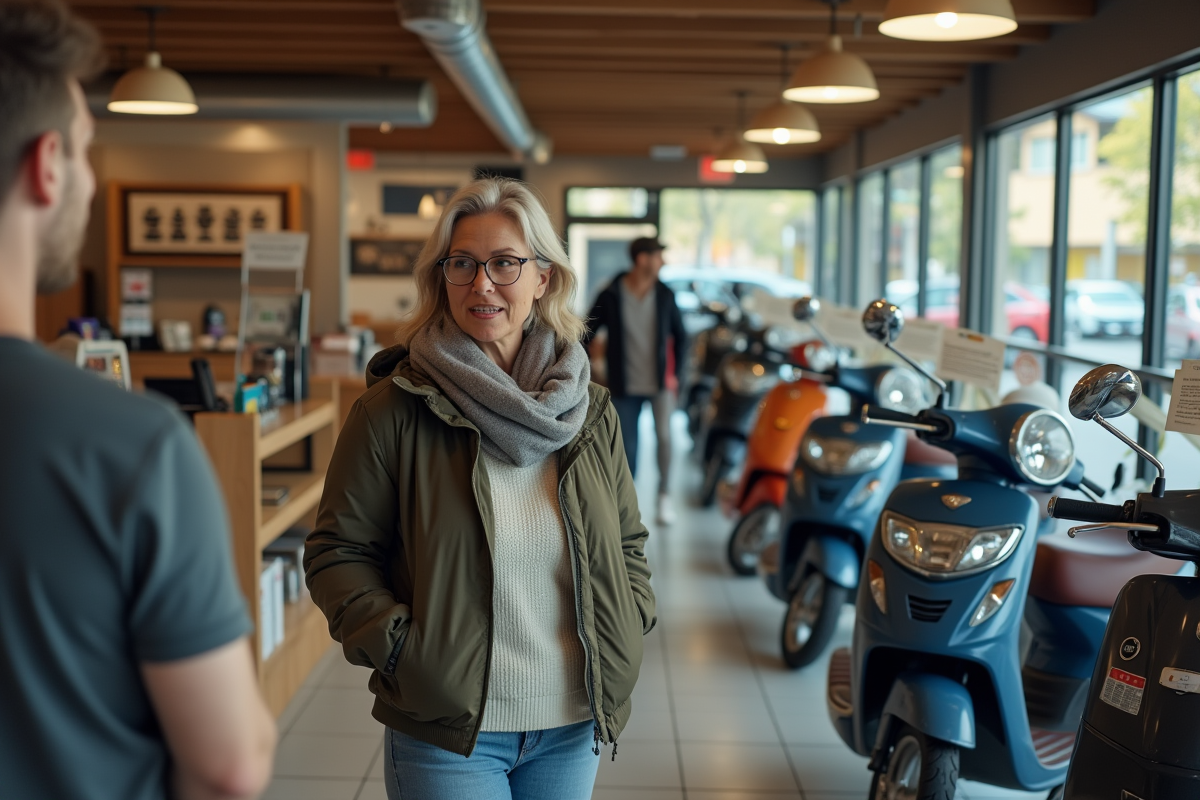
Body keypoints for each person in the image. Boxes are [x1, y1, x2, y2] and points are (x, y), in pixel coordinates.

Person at [0, 3, 276, 799]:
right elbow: (229, 765)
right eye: (88, 148)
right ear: (47, 164)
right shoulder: (130, 445)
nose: (90, 178)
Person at [305, 177, 656, 800]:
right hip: (450, 731)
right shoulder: (392, 410)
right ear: (441, 277)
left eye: (505, 263)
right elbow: (338, 553)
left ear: (543, 278)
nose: (482, 284)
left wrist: (630, 617)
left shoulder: (589, 412)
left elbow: (627, 542)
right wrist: (402, 653)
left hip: (571, 720)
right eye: (462, 264)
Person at [583, 237, 687, 525]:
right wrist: (587, 370)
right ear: (642, 259)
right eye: (658, 256)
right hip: (624, 384)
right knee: (627, 446)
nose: (662, 262)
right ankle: (628, 504)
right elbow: (586, 333)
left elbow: (681, 338)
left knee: (665, 438)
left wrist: (678, 376)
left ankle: (664, 496)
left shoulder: (665, 294)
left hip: (660, 383)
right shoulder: (612, 293)